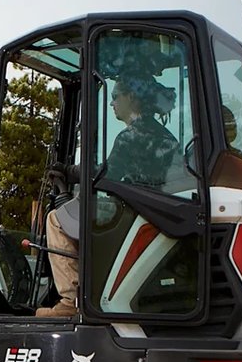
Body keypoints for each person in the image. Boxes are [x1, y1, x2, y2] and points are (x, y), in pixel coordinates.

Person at [36, 73, 178, 318]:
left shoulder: (131, 137)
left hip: (133, 211)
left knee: (56, 220)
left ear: (131, 98)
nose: (112, 103)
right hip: (152, 209)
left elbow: (106, 174)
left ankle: (72, 300)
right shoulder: (165, 136)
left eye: (115, 97)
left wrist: (69, 172)